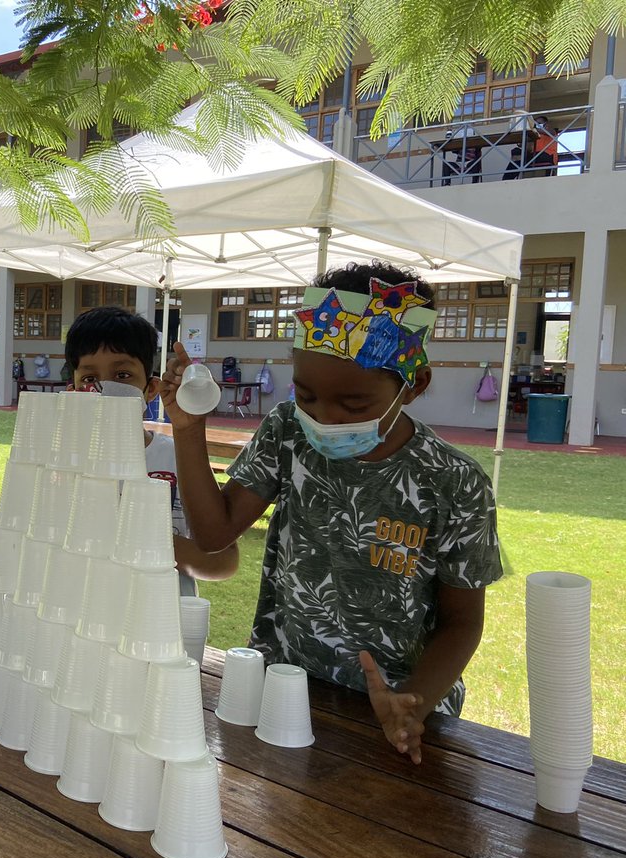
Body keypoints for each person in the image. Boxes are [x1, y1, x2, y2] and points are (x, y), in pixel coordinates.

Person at [160, 262, 502, 764]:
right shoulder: (288, 432)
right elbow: (214, 535)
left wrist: (413, 703)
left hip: (401, 714)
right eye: (306, 395)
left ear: (414, 385)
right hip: (283, 691)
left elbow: (462, 622)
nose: (324, 417)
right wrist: (189, 430)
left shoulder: (454, 482)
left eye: (355, 404)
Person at [64, 305, 238, 594]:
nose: (105, 388)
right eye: (90, 379)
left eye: (122, 375)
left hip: (165, 614)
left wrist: (133, 538)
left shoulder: (178, 458)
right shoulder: (60, 463)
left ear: (151, 389)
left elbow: (223, 561)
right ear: (73, 392)